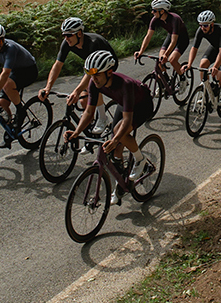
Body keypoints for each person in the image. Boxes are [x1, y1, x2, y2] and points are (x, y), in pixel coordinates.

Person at [65, 50, 155, 206]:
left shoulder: (125, 85)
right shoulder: (94, 83)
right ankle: (121, 183)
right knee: (115, 150)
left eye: (97, 75)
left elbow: (127, 122)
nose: (93, 79)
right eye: (91, 76)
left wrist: (115, 139)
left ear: (109, 72)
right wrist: (76, 132)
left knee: (119, 133)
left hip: (143, 105)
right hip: (124, 103)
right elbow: (88, 112)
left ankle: (141, 160)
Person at [183, 10, 221, 102]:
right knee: (202, 65)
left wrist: (215, 67)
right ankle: (208, 90)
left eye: (205, 25)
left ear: (212, 24)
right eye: (201, 25)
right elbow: (194, 48)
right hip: (215, 47)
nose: (203, 28)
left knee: (220, 77)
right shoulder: (200, 31)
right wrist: (189, 64)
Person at [135, 0, 188, 76]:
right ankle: (165, 81)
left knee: (172, 59)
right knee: (160, 60)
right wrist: (140, 52)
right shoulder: (155, 19)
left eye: (155, 10)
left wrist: (166, 55)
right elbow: (148, 36)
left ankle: (183, 78)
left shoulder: (175, 19)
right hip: (170, 36)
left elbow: (174, 41)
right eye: (152, 10)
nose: (152, 12)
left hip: (182, 39)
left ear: (162, 11)